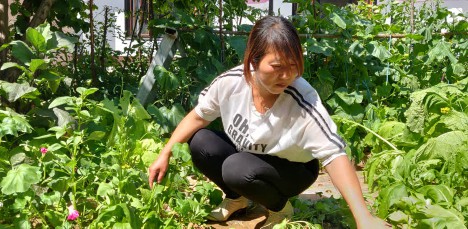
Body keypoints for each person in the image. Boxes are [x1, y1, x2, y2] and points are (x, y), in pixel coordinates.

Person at [148, 16, 391, 229]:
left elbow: (334, 155)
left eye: (294, 66)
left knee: (236, 167)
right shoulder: (230, 84)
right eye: (277, 67)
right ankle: (237, 198)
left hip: (293, 170)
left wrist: (363, 218)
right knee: (201, 141)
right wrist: (165, 152)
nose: (286, 76)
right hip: (248, 158)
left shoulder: (302, 100)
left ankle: (279, 208)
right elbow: (198, 116)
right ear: (253, 61)